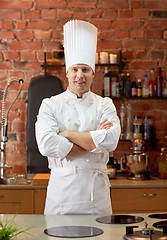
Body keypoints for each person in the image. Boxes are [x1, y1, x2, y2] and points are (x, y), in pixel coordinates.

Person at [35, 20, 121, 215]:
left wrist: (66, 134)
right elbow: (46, 144)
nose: (79, 75)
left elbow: (111, 140)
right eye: (75, 69)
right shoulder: (50, 104)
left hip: (96, 200)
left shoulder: (104, 104)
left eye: (85, 70)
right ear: (67, 73)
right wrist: (93, 141)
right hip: (61, 200)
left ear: (93, 73)